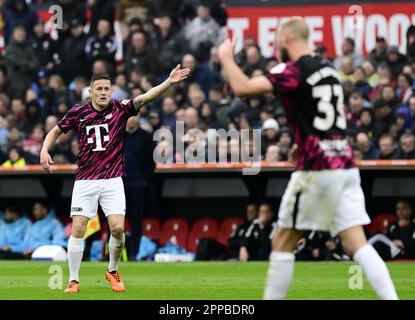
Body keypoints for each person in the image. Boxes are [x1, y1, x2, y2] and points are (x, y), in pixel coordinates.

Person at [218, 16, 398, 300]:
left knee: (282, 241)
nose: (277, 44)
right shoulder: (329, 69)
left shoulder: (294, 70)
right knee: (357, 244)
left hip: (317, 170)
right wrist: (303, 143)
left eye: (278, 37)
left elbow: (242, 88)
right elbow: (321, 119)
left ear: (288, 37)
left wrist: (226, 58)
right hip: (345, 166)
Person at [40, 65, 190, 293]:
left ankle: (112, 271)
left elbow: (146, 97)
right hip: (85, 180)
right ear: (90, 92)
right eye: (98, 88)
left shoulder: (121, 109)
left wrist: (169, 82)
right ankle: (73, 280)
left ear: (111, 92)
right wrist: (44, 150)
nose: (103, 92)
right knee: (78, 228)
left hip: (112, 180)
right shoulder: (78, 113)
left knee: (118, 229)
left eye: (106, 89)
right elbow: (55, 132)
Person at [123, 115, 156, 261]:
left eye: (134, 116)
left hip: (138, 185)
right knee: (117, 221)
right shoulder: (116, 135)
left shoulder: (146, 136)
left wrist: (144, 181)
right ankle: (116, 253)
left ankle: (134, 253)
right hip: (119, 184)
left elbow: (151, 162)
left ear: (138, 118)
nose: (131, 119)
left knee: (137, 221)